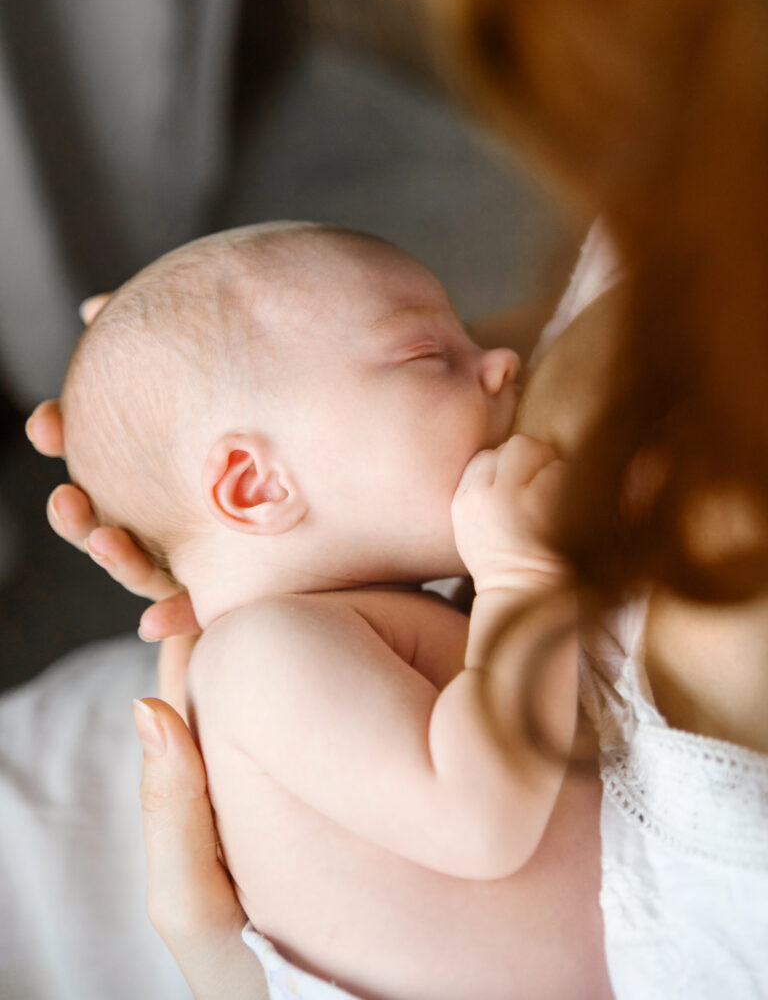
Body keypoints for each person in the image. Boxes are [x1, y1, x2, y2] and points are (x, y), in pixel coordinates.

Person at [57, 219, 610, 1000]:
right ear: (256, 486)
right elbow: (477, 818)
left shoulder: (334, 627)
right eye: (427, 356)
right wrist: (523, 579)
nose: (501, 361)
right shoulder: (256, 655)